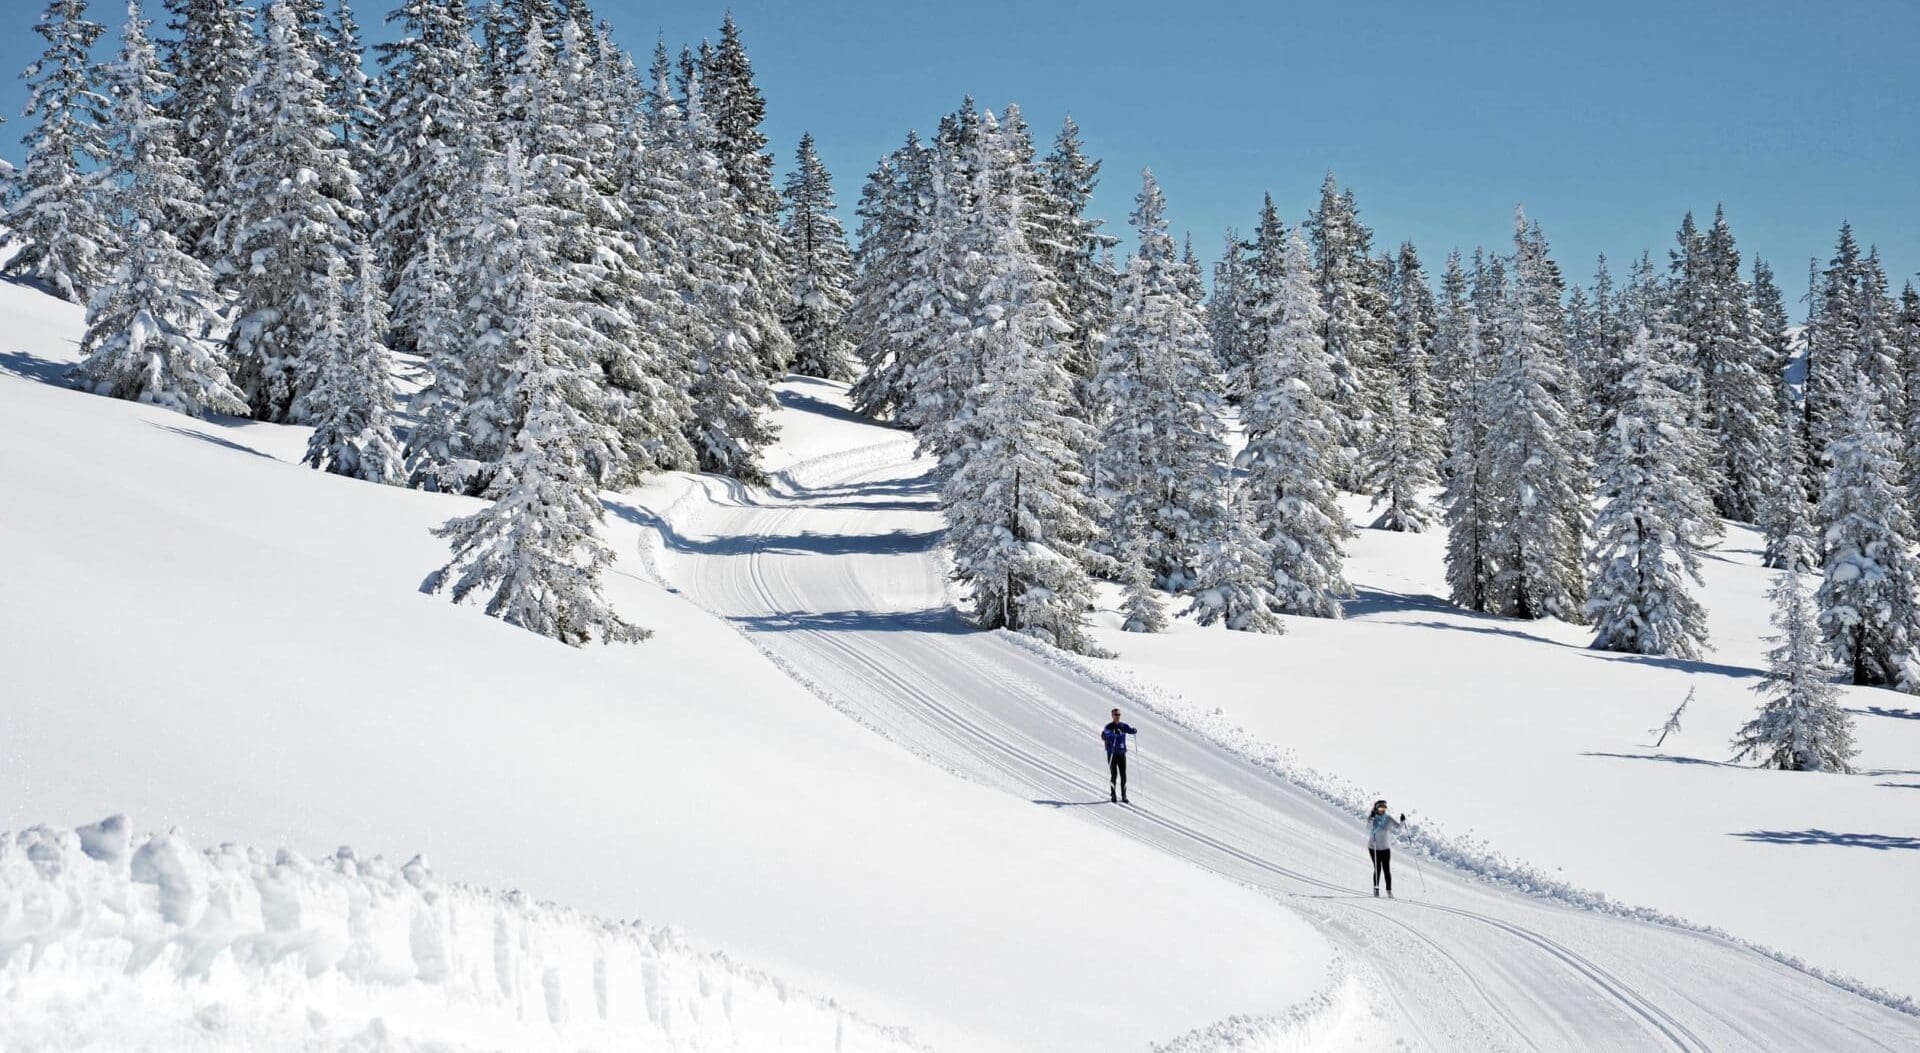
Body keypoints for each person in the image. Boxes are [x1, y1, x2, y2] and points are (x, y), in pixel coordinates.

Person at [1367, 800, 1405, 897]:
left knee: (1387, 870)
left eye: (1384, 808)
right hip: (1374, 847)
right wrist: (1371, 819)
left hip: (1385, 848)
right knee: (1378, 868)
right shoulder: (1372, 818)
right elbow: (1368, 828)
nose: (1382, 810)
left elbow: (1398, 828)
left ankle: (1389, 891)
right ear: (1376, 808)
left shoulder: (1388, 818)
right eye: (1380, 808)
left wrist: (1402, 821)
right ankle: (1376, 889)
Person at [1101, 708, 1136, 803]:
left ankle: (1124, 795)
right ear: (1112, 716)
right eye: (1115, 714)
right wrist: (1113, 733)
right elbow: (1105, 734)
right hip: (1112, 754)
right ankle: (1113, 794)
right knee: (1114, 774)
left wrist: (1133, 731)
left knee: (1123, 775)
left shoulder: (1123, 725)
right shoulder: (1109, 726)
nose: (1117, 716)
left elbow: (1128, 730)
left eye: (1119, 714)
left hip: (1121, 754)